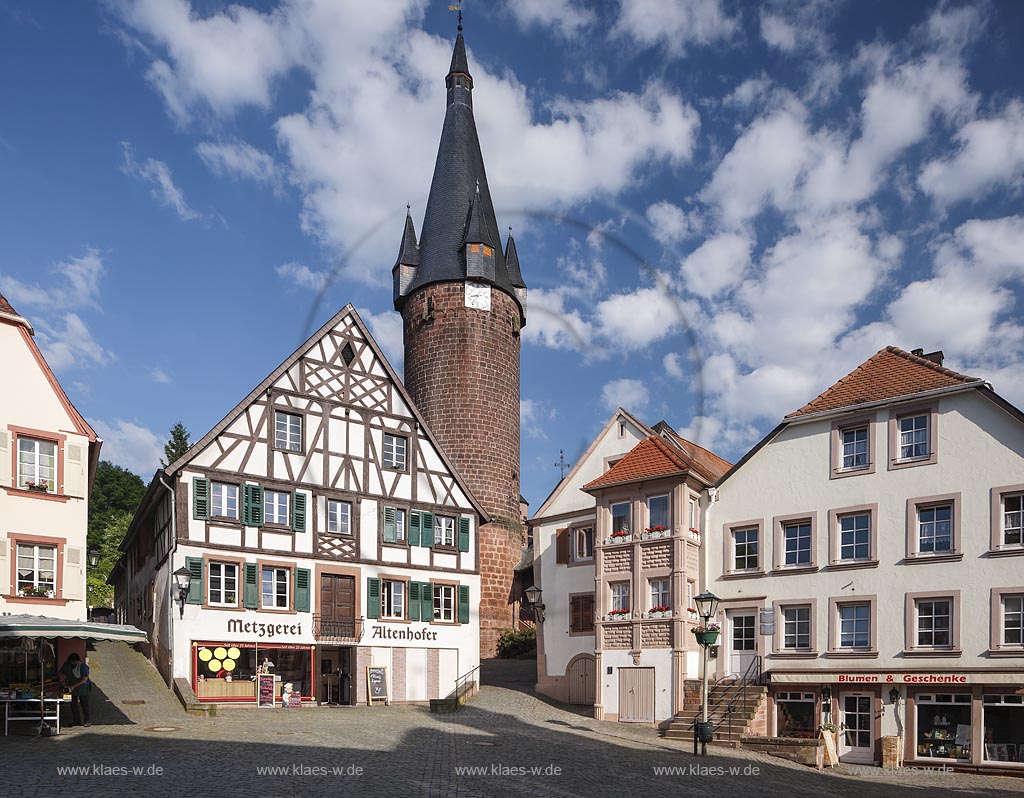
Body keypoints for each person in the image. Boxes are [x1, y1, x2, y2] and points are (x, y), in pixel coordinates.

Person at [59, 653, 91, 727]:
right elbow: (61, 672)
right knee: (73, 704)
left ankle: (87, 720)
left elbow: (84, 679)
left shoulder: (82, 666)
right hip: (70, 687)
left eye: (75, 662)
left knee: (84, 704)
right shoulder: (67, 664)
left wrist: (74, 686)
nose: (73, 663)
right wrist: (62, 679)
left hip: (83, 687)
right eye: (72, 662)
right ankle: (76, 720)